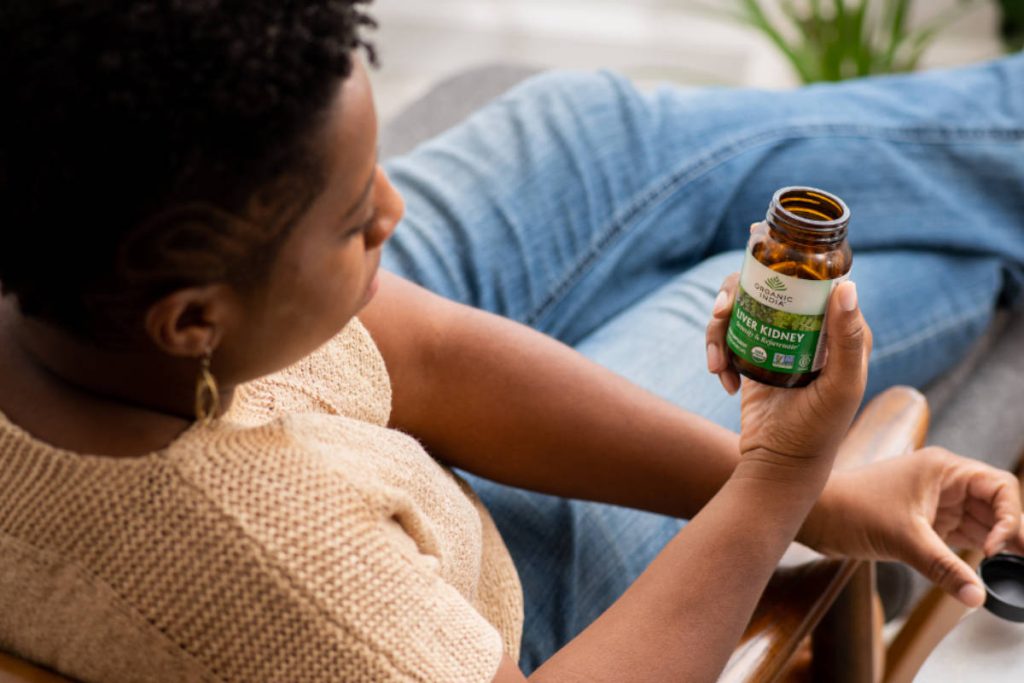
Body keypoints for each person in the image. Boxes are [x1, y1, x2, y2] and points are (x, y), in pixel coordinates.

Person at [0, 1, 1022, 681]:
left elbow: (427, 353)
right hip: (495, 610)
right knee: (860, 278)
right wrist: (779, 479)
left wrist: (831, 493)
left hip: (283, 405)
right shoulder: (292, 573)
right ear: (193, 320)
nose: (391, 206)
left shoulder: (94, 280)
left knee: (582, 120)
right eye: (358, 215)